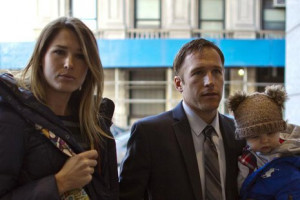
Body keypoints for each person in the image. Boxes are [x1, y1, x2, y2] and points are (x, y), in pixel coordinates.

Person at [0, 17, 118, 200]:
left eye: (81, 56)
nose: (69, 64)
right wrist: (59, 183)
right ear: (41, 58)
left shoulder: (97, 125)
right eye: (59, 52)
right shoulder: (10, 117)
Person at [119, 38, 245, 200]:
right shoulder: (150, 134)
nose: (210, 82)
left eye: (216, 71)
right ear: (179, 84)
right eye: (198, 72)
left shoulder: (239, 132)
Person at [227, 85, 300, 199]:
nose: (265, 140)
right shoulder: (247, 161)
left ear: (280, 129)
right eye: (255, 137)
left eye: (270, 133)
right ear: (245, 138)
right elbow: (243, 191)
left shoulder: (294, 149)